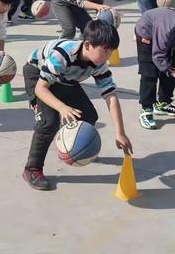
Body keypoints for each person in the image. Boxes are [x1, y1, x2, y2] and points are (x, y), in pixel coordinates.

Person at [22, 20, 133, 190]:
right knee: (48, 122)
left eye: (111, 52)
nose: (108, 57)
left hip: (65, 79)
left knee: (89, 115)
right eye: (105, 51)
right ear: (87, 45)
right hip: (37, 75)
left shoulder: (99, 64)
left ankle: (76, 148)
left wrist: (120, 132)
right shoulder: (63, 55)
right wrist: (62, 108)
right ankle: (32, 169)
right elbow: (41, 88)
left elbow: (110, 96)